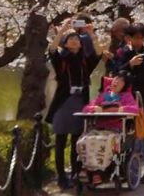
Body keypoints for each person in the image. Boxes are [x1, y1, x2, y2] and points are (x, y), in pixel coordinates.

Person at [46, 26, 100, 189]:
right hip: (63, 102)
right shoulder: (61, 58)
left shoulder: (85, 60)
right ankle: (61, 176)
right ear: (66, 43)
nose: (75, 41)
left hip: (80, 101)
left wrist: (91, 34)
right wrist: (62, 31)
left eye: (77, 39)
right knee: (61, 140)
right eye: (71, 39)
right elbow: (52, 49)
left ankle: (76, 173)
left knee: (77, 140)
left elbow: (98, 54)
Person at [115, 23, 144, 183]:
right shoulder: (123, 52)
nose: (139, 41)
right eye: (136, 38)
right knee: (127, 135)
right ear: (129, 38)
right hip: (127, 99)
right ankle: (127, 169)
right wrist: (129, 64)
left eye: (142, 38)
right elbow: (116, 72)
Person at [79, 72, 139, 186]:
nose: (116, 81)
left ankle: (98, 172)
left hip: (115, 129)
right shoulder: (102, 95)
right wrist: (96, 109)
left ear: (124, 85)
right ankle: (86, 167)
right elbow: (85, 109)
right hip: (99, 128)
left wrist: (118, 109)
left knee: (104, 142)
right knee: (84, 140)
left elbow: (135, 110)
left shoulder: (126, 96)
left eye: (121, 80)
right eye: (115, 78)